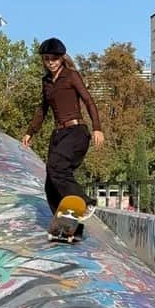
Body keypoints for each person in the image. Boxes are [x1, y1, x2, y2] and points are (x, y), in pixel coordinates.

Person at [22, 38, 104, 220]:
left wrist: (97, 128)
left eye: (54, 58)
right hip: (58, 135)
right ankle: (64, 222)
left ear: (61, 58)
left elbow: (89, 101)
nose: (50, 62)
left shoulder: (71, 75)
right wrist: (30, 131)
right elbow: (42, 109)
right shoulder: (46, 82)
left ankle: (85, 202)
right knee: (51, 181)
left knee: (57, 167)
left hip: (76, 132)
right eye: (46, 58)